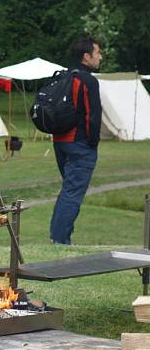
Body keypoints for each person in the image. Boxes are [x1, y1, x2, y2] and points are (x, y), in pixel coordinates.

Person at [50, 36, 103, 244]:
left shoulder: (63, 76)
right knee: (72, 193)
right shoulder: (88, 80)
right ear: (86, 56)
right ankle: (60, 239)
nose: (100, 57)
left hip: (60, 141)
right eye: (97, 53)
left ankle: (58, 235)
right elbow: (93, 116)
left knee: (68, 190)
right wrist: (93, 143)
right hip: (80, 144)